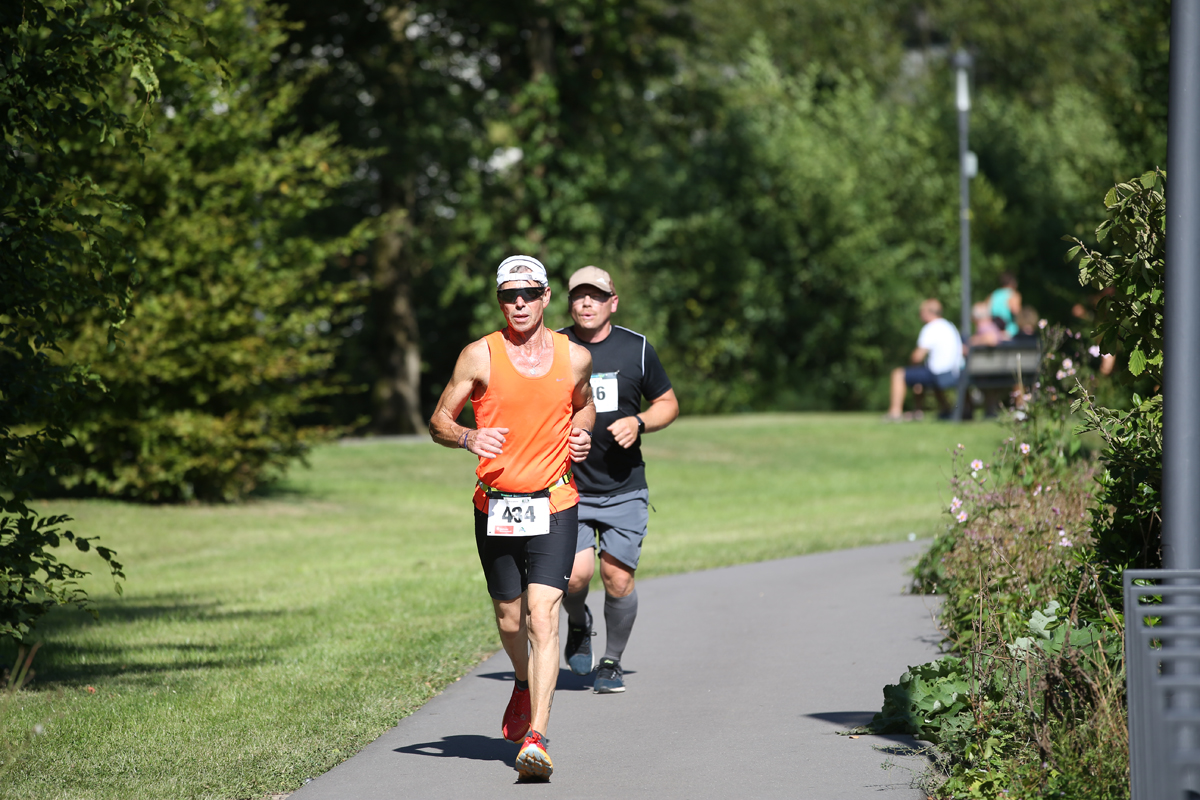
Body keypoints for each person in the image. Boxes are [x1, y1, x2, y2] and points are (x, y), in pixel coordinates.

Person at [428, 255, 596, 781]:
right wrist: (468, 436)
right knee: (509, 617)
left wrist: (583, 432)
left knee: (542, 614)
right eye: (508, 296)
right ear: (500, 301)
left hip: (555, 501)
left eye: (527, 293)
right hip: (496, 504)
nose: (517, 303)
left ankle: (537, 737)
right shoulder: (478, 356)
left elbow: (584, 405)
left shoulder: (576, 357)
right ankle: (522, 683)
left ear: (546, 297)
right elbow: (437, 420)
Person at [557, 266, 678, 694]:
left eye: (596, 296)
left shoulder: (636, 348)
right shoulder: (555, 348)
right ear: (569, 302)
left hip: (624, 487)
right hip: (569, 486)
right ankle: (577, 623)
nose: (586, 303)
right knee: (573, 577)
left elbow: (667, 401)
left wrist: (640, 422)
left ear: (613, 301)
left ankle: (612, 661)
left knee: (618, 578)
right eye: (578, 296)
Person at [885, 298, 963, 421]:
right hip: (954, 372)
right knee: (924, 375)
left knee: (898, 374)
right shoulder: (950, 326)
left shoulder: (931, 328)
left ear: (928, 312)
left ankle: (895, 412)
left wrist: (912, 365)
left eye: (921, 311)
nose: (920, 314)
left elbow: (917, 356)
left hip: (938, 373)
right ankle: (945, 410)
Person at [989, 272, 1022, 337]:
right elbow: (1016, 311)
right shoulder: (1013, 295)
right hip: (1010, 331)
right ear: (1013, 282)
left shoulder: (994, 294)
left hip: (995, 331)